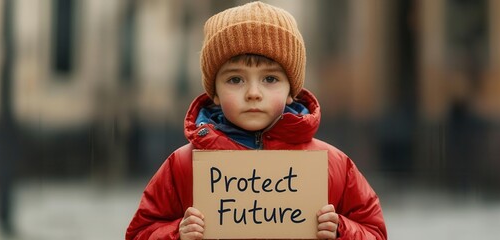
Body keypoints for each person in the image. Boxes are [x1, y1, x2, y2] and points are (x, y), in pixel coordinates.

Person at [126, 2, 387, 239]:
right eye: (235, 80)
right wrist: (177, 233)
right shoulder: (183, 166)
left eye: (270, 79)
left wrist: (341, 230)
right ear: (214, 92)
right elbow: (139, 232)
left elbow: (375, 232)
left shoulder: (333, 165)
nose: (253, 93)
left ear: (290, 91)